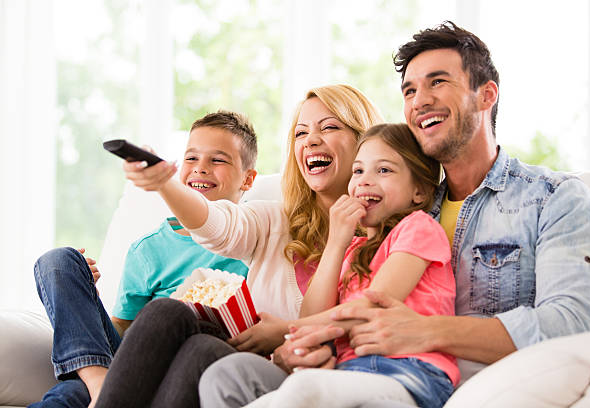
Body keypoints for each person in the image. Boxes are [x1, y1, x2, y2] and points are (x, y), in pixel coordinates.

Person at [199, 21, 590, 408]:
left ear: (486, 95)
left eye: (438, 82)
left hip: (451, 380)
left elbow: (566, 325)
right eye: (409, 91)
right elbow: (339, 304)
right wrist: (300, 343)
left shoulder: (552, 199)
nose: (419, 100)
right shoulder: (391, 206)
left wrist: (427, 330)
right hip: (354, 366)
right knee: (228, 377)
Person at [92, 84, 384, 408]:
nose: (311, 140)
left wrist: (289, 331)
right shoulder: (274, 221)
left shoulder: (388, 238)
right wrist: (165, 183)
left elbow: (376, 325)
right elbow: (217, 225)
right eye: (301, 133)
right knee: (171, 315)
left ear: (365, 142)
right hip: (248, 365)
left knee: (204, 349)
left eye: (329, 127)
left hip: (300, 378)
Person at [30, 110, 256, 408]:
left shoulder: (255, 237)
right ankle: (99, 382)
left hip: (192, 362)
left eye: (218, 160)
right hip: (132, 363)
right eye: (191, 158)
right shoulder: (149, 249)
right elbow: (123, 327)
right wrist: (86, 300)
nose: (201, 168)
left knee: (70, 395)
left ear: (248, 179)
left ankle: (102, 390)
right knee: (59, 261)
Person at [241, 123, 456, 408]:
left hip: (410, 371)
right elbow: (315, 313)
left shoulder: (418, 228)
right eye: (358, 171)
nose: (364, 181)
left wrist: (286, 329)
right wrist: (336, 243)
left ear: (420, 190)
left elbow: (374, 307)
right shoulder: (352, 250)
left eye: (384, 170)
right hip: (353, 372)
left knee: (303, 389)